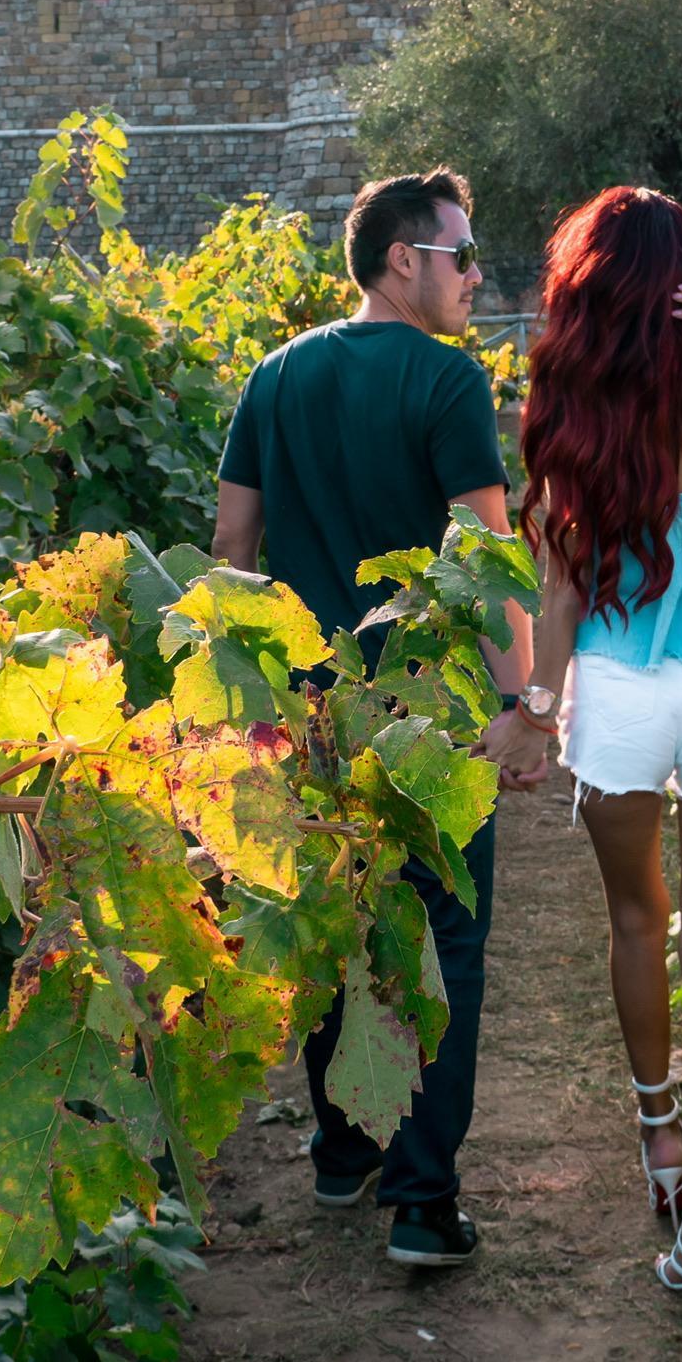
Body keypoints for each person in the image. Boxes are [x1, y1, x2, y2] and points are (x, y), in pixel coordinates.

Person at [210, 168, 550, 1269]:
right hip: (428, 717)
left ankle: (342, 1147)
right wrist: (519, 704)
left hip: (309, 711)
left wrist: (244, 707)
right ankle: (421, 1203)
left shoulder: (273, 375)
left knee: (333, 917)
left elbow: (230, 554)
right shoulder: (447, 384)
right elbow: (488, 557)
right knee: (444, 937)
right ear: (404, 259)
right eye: (461, 254)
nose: (474, 275)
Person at [508, 187, 682, 1317]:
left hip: (620, 700)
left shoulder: (579, 408)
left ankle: (660, 1143)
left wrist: (539, 702)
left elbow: (562, 584)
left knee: (638, 920)